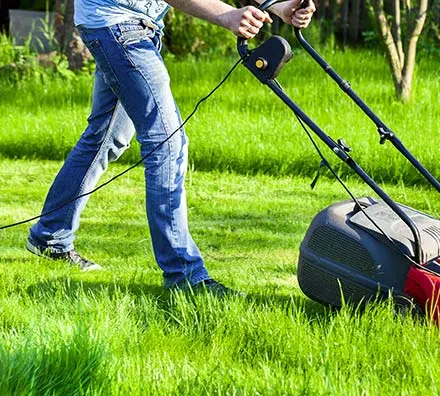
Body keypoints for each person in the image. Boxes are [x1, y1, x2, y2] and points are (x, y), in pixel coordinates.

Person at [25, 0, 316, 295]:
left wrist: (281, 5)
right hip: (116, 23)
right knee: (166, 144)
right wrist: (228, 15)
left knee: (105, 139)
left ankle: (50, 235)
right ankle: (184, 275)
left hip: (134, 25)